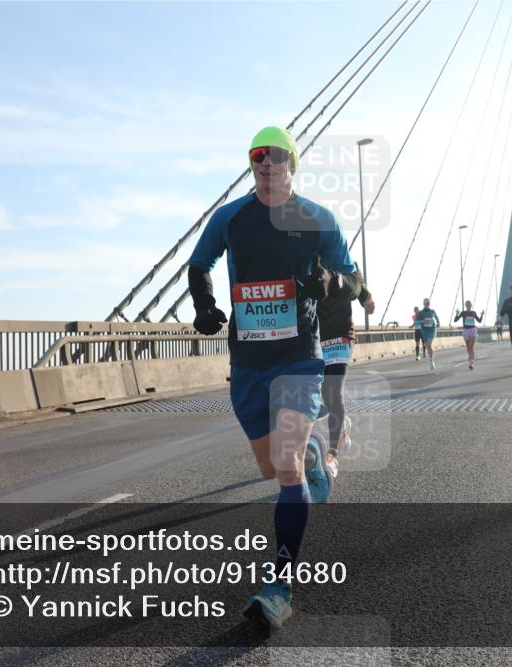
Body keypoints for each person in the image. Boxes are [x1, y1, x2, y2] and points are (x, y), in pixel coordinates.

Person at [187, 126, 360, 629]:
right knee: (271, 468)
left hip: (298, 359)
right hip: (247, 362)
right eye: (257, 156)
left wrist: (331, 280)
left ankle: (279, 586)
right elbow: (199, 265)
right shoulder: (230, 217)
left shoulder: (319, 220)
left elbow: (354, 280)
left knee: (285, 468)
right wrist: (205, 306)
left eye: (276, 156)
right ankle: (315, 454)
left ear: (292, 164)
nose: (266, 164)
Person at [317, 274, 374, 469]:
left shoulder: (344, 263)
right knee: (326, 394)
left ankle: (332, 454)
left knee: (334, 392)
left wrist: (368, 301)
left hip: (342, 337)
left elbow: (362, 290)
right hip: (319, 339)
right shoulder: (307, 261)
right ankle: (342, 428)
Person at [453, 300, 484, 369]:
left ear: (471, 305)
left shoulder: (473, 313)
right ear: (465, 306)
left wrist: (481, 315)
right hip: (466, 331)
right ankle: (470, 359)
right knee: (468, 347)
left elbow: (479, 321)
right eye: (467, 305)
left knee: (471, 347)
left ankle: (471, 362)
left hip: (473, 330)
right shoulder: (463, 313)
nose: (468, 306)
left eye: (469, 305)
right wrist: (457, 314)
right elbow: (455, 320)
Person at [418, 298, 440, 370]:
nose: (427, 304)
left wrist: (438, 323)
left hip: (432, 330)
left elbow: (436, 317)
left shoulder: (432, 311)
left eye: (428, 303)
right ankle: (431, 359)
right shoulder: (421, 313)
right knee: (428, 346)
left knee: (429, 345)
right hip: (424, 331)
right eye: (425, 303)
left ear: (429, 303)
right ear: (423, 304)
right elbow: (417, 322)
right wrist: (423, 321)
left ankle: (432, 361)